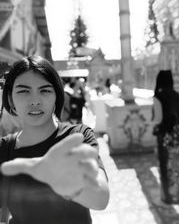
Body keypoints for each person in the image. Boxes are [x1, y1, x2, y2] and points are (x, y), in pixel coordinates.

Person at [0, 55, 109, 224]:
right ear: (10, 99)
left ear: (57, 96)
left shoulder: (77, 137)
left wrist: (70, 185)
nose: (35, 101)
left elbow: (101, 198)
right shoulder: (3, 150)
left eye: (45, 90)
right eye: (23, 91)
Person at [152, 70, 179, 203]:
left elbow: (157, 119)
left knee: (164, 166)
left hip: (163, 137)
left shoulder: (158, 97)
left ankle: (167, 196)